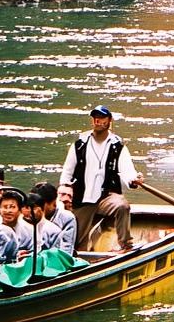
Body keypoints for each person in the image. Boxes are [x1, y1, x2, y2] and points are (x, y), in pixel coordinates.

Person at [58, 105, 143, 252]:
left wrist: (134, 180)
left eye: (102, 118)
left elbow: (127, 171)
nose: (98, 121)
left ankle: (126, 244)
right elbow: (67, 171)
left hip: (106, 197)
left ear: (109, 120)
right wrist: (64, 189)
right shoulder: (80, 145)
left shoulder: (118, 146)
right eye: (95, 118)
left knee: (122, 206)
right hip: (83, 197)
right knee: (76, 241)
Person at [16, 192, 66, 259]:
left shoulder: (54, 230)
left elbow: (56, 255)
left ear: (42, 209)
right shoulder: (16, 226)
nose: (28, 211)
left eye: (33, 208)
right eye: (25, 207)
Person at [32, 182, 77, 255]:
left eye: (40, 205)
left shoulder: (67, 218)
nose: (37, 209)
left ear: (53, 204)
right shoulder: (28, 214)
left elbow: (65, 252)